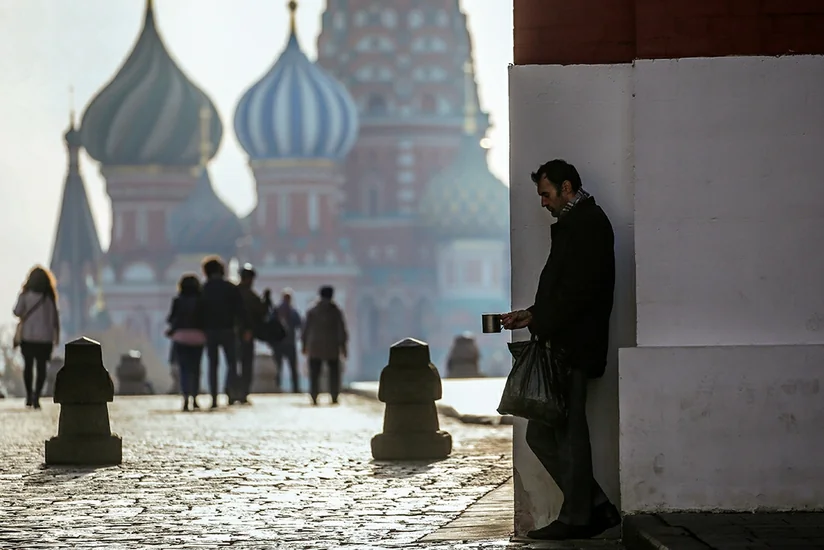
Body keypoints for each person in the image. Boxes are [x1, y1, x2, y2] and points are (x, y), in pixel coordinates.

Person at [501, 159, 620, 540]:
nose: (542, 202)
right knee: (544, 434)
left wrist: (539, 319)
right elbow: (564, 292)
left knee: (567, 434)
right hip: (562, 344)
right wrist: (531, 315)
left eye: (545, 193)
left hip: (572, 348)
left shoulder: (588, 225)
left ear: (566, 188)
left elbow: (578, 294)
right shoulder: (577, 224)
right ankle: (595, 507)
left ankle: (578, 516)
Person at [200, 256, 250, 409]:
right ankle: (230, 392)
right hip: (228, 330)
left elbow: (199, 311)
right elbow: (241, 310)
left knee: (212, 364)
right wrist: (245, 328)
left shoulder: (204, 288)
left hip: (210, 331)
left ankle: (214, 396)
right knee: (232, 364)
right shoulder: (230, 287)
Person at [12, 266, 60, 409]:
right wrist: (55, 337)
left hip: (28, 337)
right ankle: (37, 396)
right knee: (41, 368)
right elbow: (54, 320)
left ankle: (29, 395)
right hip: (45, 339)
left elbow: (16, 311)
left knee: (28, 366)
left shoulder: (25, 295)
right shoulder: (49, 298)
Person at [301, 285, 348, 406]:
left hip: (315, 346)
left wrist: (304, 345)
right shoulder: (335, 310)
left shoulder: (312, 309)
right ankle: (334, 395)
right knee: (334, 373)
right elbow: (341, 330)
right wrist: (343, 347)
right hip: (332, 346)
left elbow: (305, 329)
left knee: (314, 373)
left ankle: (314, 395)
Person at [166, 274, 206, 412]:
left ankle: (185, 398)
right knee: (196, 369)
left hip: (181, 337)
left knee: (184, 369)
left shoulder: (178, 300)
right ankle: (195, 398)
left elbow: (172, 319)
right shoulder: (201, 300)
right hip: (198, 337)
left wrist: (172, 330)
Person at [237, 264, 267, 405]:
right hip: (247, 334)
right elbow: (261, 314)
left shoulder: (234, 292)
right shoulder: (251, 295)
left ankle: (233, 391)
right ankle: (242, 392)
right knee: (246, 365)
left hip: (234, 333)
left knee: (234, 364)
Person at [272, 288, 302, 393]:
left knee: (281, 367)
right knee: (282, 367)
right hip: (284, 343)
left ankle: (282, 387)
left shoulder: (278, 311)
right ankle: (294, 388)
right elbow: (300, 325)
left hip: (282, 343)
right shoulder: (290, 312)